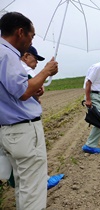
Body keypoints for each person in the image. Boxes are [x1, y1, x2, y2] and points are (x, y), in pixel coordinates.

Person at [0, 12, 58, 210]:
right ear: (20, 32)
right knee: (33, 189)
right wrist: (46, 72)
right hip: (22, 131)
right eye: (32, 36)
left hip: (8, 130)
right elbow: (23, 92)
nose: (31, 40)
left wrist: (34, 86)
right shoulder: (6, 55)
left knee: (23, 185)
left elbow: (13, 91)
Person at [20, 45, 64, 190]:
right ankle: (42, 182)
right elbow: (36, 89)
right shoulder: (24, 69)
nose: (36, 62)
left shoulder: (14, 68)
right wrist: (46, 72)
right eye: (35, 58)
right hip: (27, 121)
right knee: (36, 156)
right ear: (26, 56)